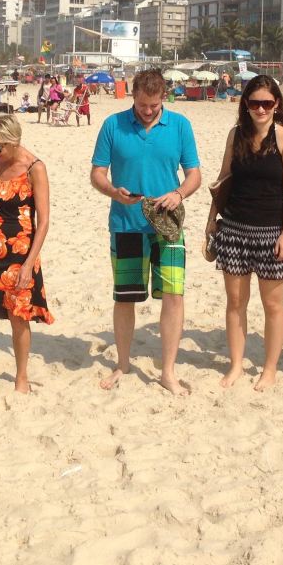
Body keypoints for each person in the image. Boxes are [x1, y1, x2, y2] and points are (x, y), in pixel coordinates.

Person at [91, 68, 201, 394]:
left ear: (163, 97)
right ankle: (123, 363)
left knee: (174, 295)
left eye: (154, 105)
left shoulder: (180, 126)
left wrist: (179, 193)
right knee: (125, 298)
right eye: (142, 105)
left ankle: (168, 371)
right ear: (133, 96)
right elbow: (97, 174)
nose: (148, 111)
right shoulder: (113, 125)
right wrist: (114, 192)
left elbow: (194, 175)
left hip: (169, 226)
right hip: (126, 225)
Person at [206, 75, 283, 390]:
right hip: (234, 228)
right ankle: (236, 365)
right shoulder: (236, 135)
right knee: (235, 302)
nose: (261, 109)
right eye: (255, 103)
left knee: (272, 304)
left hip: (271, 231)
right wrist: (211, 220)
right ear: (245, 104)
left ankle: (269, 369)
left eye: (267, 103)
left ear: (276, 104)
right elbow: (223, 179)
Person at [0, 114, 53, 393]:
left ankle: (21, 377)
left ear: (14, 142)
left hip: (20, 251)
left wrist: (29, 264)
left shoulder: (34, 168)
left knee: (18, 315)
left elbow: (43, 221)